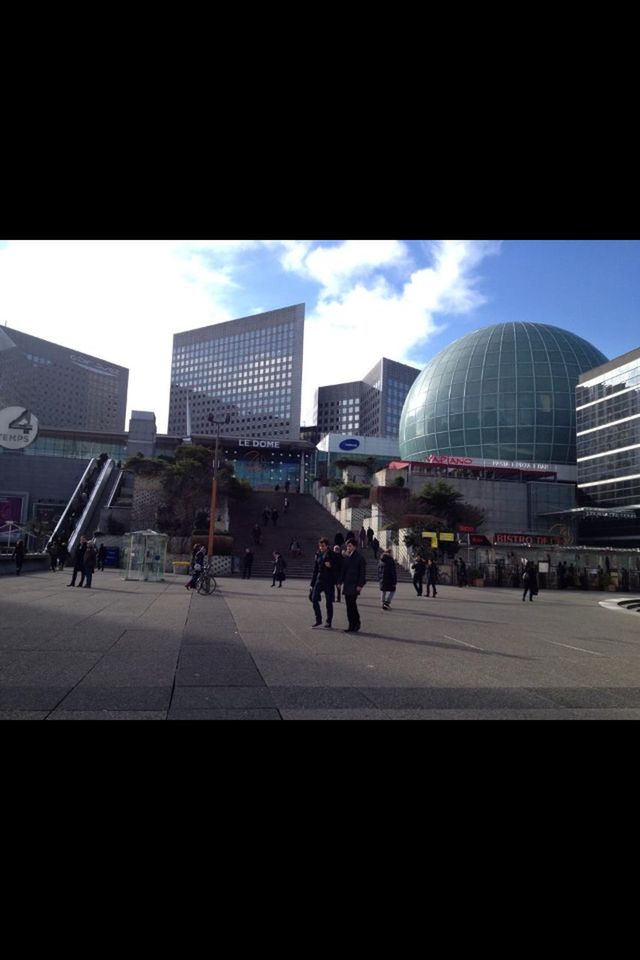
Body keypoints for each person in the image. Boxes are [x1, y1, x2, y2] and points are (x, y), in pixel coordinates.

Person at [310, 537, 341, 628]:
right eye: (320, 546)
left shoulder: (332, 555)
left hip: (329, 581)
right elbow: (315, 570)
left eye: (323, 546)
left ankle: (329, 621)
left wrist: (331, 566)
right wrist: (312, 584)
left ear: (327, 546)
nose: (321, 548)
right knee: (314, 598)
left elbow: (337, 569)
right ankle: (318, 619)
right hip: (319, 580)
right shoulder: (318, 554)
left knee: (329, 602)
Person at [340, 539, 366, 633]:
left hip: (355, 585)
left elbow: (362, 573)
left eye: (350, 546)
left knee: (352, 605)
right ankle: (351, 625)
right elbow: (343, 570)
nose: (348, 548)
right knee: (349, 605)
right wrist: (340, 582)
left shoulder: (360, 558)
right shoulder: (347, 557)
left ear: (355, 546)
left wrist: (360, 585)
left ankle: (356, 623)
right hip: (347, 584)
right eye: (347, 546)